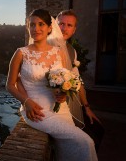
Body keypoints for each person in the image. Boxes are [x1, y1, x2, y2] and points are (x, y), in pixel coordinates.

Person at [6, 8, 98, 160]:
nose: (36, 29)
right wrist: (26, 102)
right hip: (37, 111)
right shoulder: (21, 53)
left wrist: (62, 93)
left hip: (61, 108)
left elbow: (61, 80)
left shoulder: (58, 52)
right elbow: (10, 84)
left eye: (41, 24)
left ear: (49, 28)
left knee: (67, 147)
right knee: (86, 141)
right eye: (32, 25)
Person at [56, 9, 104, 151]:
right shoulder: (47, 47)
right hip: (56, 105)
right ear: (55, 25)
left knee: (98, 129)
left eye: (69, 25)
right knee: (86, 141)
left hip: (73, 103)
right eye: (61, 24)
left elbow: (78, 81)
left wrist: (87, 107)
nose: (64, 28)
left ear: (74, 30)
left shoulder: (72, 50)